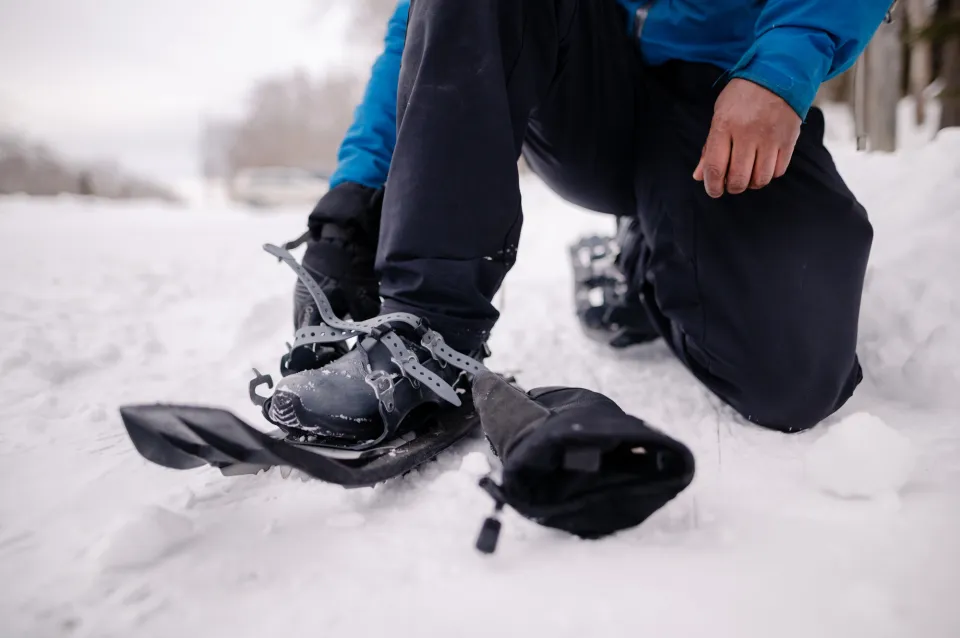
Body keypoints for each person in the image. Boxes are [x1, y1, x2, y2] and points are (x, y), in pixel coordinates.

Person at [269, 0, 893, 441]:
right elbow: (429, 23)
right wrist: (351, 207)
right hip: (585, 83)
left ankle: (644, 253)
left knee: (793, 377)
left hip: (729, 87)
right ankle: (428, 338)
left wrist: (783, 62)